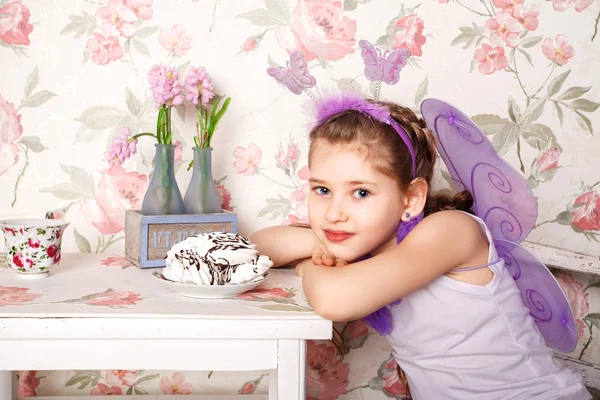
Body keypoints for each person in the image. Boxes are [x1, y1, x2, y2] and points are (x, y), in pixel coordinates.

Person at [250, 93, 591, 400]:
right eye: (322, 190)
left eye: (361, 192)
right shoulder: (362, 242)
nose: (335, 213)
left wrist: (310, 263)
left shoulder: (452, 232)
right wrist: (318, 242)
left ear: (411, 198)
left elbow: (333, 299)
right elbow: (256, 247)